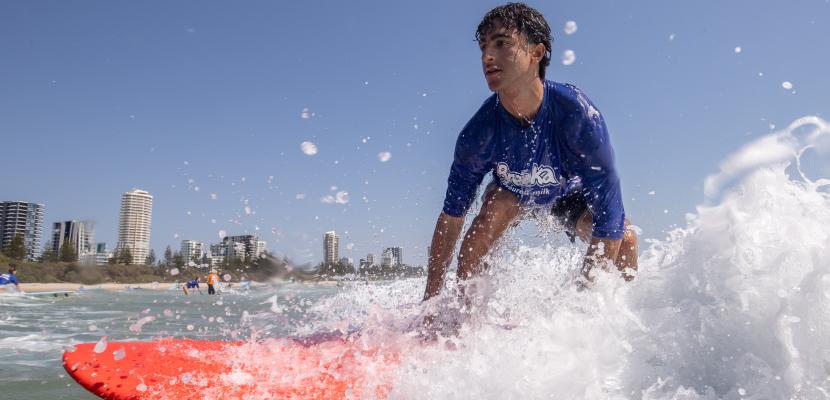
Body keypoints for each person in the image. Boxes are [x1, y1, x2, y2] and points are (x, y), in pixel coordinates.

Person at [423, 3, 638, 313]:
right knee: (475, 242)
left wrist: (585, 309)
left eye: (501, 43)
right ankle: (462, 326)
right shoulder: (480, 132)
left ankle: (616, 320)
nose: (487, 56)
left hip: (568, 192)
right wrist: (430, 303)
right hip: (510, 191)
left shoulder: (577, 116)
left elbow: (610, 218)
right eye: (483, 47)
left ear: (536, 52)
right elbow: (452, 216)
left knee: (626, 241)